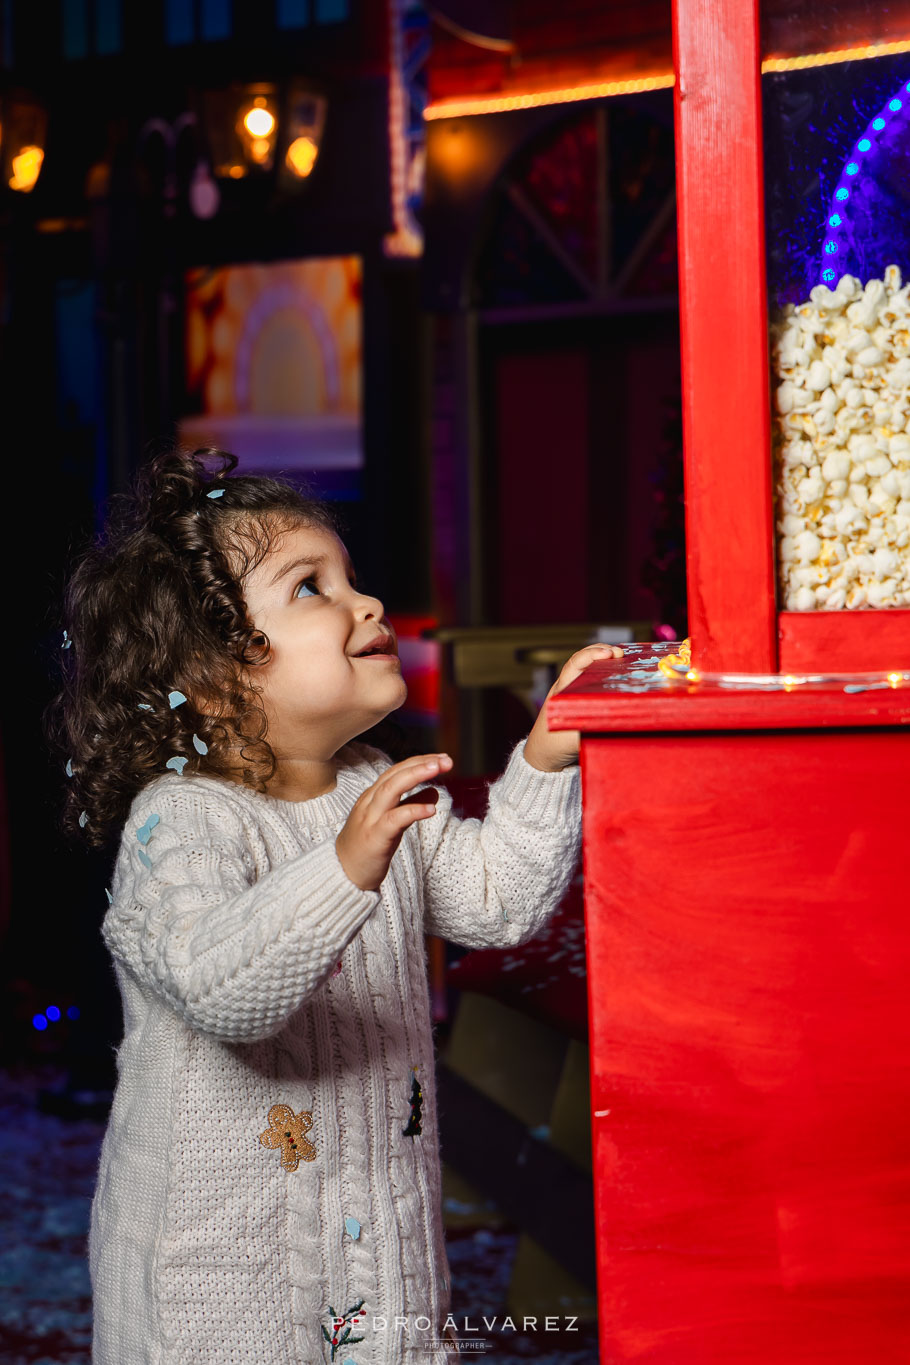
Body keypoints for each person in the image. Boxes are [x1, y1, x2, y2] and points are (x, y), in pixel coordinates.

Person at [45, 446, 622, 1365]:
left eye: (351, 576)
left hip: (385, 1261)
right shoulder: (181, 823)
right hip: (222, 1289)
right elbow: (220, 983)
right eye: (311, 586)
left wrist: (546, 759)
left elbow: (496, 902)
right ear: (210, 673)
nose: (367, 603)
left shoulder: (373, 786)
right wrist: (344, 865)